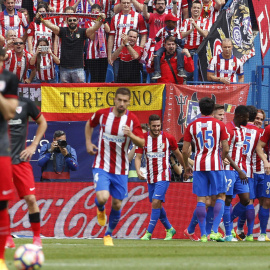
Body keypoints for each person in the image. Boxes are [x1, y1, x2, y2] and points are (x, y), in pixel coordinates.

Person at [85, 87, 145, 246]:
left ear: (129, 103)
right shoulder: (103, 114)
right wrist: (88, 142)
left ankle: (108, 235)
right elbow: (89, 124)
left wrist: (131, 135)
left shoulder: (132, 120)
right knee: (103, 197)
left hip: (121, 169)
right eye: (119, 100)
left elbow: (142, 142)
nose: (122, 103)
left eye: (125, 101)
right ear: (114, 99)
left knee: (117, 204)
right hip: (102, 164)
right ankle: (100, 208)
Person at [182, 97, 229, 242]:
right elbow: (226, 147)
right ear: (213, 109)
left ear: (200, 109)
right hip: (215, 164)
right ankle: (214, 231)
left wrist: (186, 166)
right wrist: (222, 157)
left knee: (201, 200)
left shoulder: (191, 125)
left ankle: (203, 234)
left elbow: (184, 151)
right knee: (221, 196)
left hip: (199, 165)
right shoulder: (219, 125)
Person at [5, 97, 47, 249]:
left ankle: (37, 237)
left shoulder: (25, 103)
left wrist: (34, 145)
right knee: (3, 202)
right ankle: (7, 237)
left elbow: (43, 122)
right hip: (3, 161)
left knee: (30, 199)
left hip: (21, 161)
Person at [135, 114, 184, 240]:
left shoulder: (168, 138)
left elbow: (178, 154)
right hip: (150, 177)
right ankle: (170, 229)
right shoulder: (143, 139)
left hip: (164, 175)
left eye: (158, 126)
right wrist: (138, 170)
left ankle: (148, 233)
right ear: (149, 125)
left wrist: (186, 167)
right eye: (154, 126)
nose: (156, 128)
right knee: (157, 205)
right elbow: (138, 157)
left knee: (156, 202)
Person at [36, 8, 106, 83]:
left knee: (80, 93)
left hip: (78, 68)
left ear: (78, 21)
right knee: (65, 93)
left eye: (74, 20)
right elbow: (50, 26)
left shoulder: (82, 31)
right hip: (64, 69)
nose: (72, 22)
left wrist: (101, 19)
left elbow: (95, 27)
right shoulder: (62, 31)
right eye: (70, 20)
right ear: (66, 21)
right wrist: (41, 18)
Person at [0, 46, 18, 270]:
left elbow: (10, 113)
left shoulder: (9, 79)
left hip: (1, 148)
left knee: (2, 204)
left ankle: (1, 259)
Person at [222, 105, 250, 241]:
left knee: (245, 199)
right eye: (246, 118)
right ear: (240, 116)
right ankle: (228, 232)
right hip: (229, 170)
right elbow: (225, 152)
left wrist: (242, 169)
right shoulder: (228, 129)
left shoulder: (242, 129)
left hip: (241, 170)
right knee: (228, 200)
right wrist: (238, 170)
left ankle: (225, 222)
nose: (248, 120)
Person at [108, 0, 147, 81]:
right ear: (120, 4)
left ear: (131, 4)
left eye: (128, 3)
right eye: (124, 3)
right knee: (117, 77)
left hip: (133, 53)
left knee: (133, 78)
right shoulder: (115, 18)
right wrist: (109, 55)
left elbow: (143, 34)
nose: (126, 5)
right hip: (118, 53)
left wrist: (141, 48)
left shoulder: (138, 16)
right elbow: (111, 37)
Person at [151, 13, 187, 79]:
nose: (175, 23)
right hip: (164, 47)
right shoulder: (162, 30)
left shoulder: (177, 31)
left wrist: (175, 39)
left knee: (180, 52)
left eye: (175, 22)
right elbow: (156, 38)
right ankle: (157, 72)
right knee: (157, 54)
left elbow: (180, 41)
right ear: (167, 23)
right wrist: (151, 44)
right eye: (173, 22)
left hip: (176, 47)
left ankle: (180, 70)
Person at [84, 4, 110, 83]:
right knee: (94, 78)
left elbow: (108, 30)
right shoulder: (88, 23)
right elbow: (91, 37)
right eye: (94, 12)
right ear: (91, 12)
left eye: (97, 13)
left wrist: (103, 20)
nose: (95, 14)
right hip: (92, 54)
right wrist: (96, 24)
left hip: (103, 53)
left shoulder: (103, 22)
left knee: (102, 78)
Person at [255, 113, 270, 241]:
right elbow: (259, 147)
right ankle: (263, 233)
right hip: (269, 171)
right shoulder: (269, 129)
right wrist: (265, 161)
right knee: (266, 201)